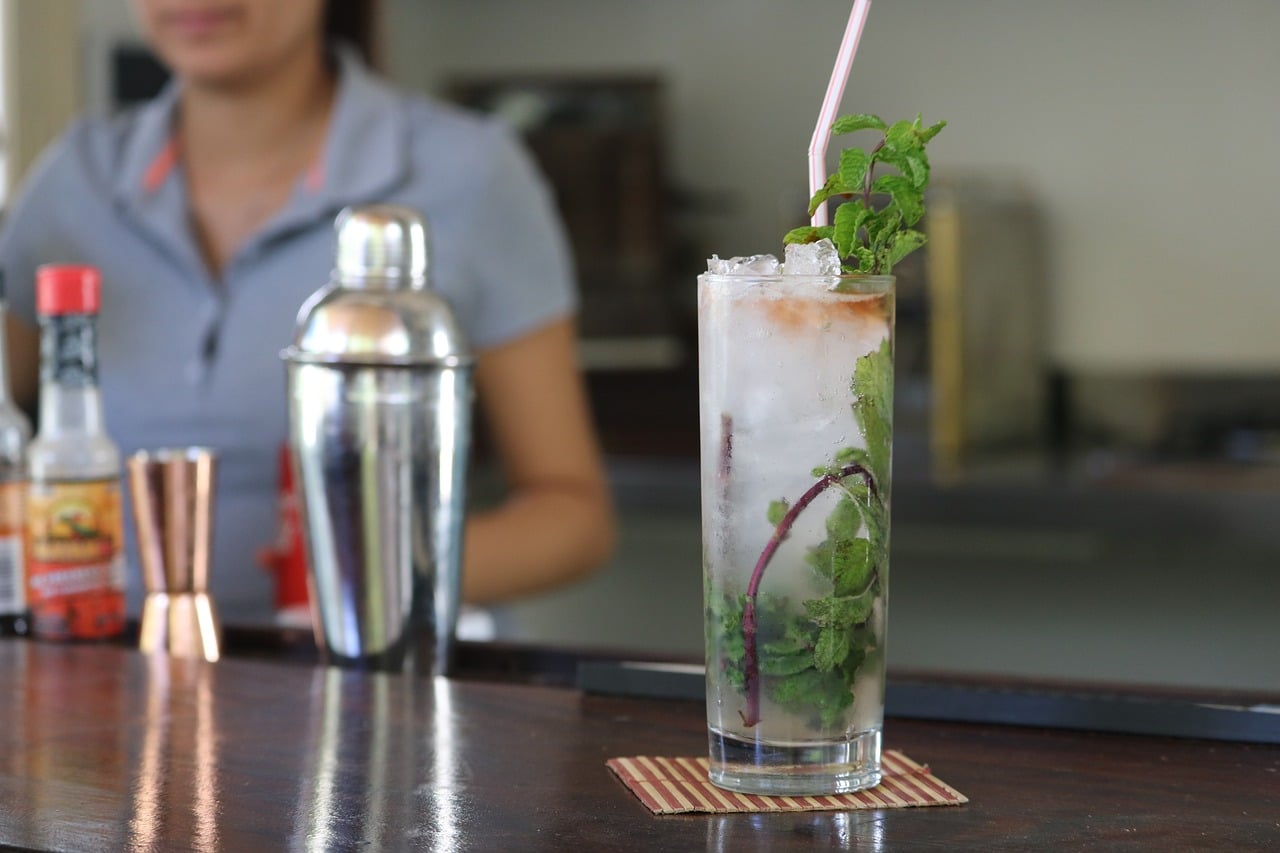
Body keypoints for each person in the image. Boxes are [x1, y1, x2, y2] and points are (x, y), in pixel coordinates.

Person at [0, 0, 616, 619]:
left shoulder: (469, 172)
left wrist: (365, 572)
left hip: (359, 672)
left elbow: (572, 516)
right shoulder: (73, 181)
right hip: (106, 663)